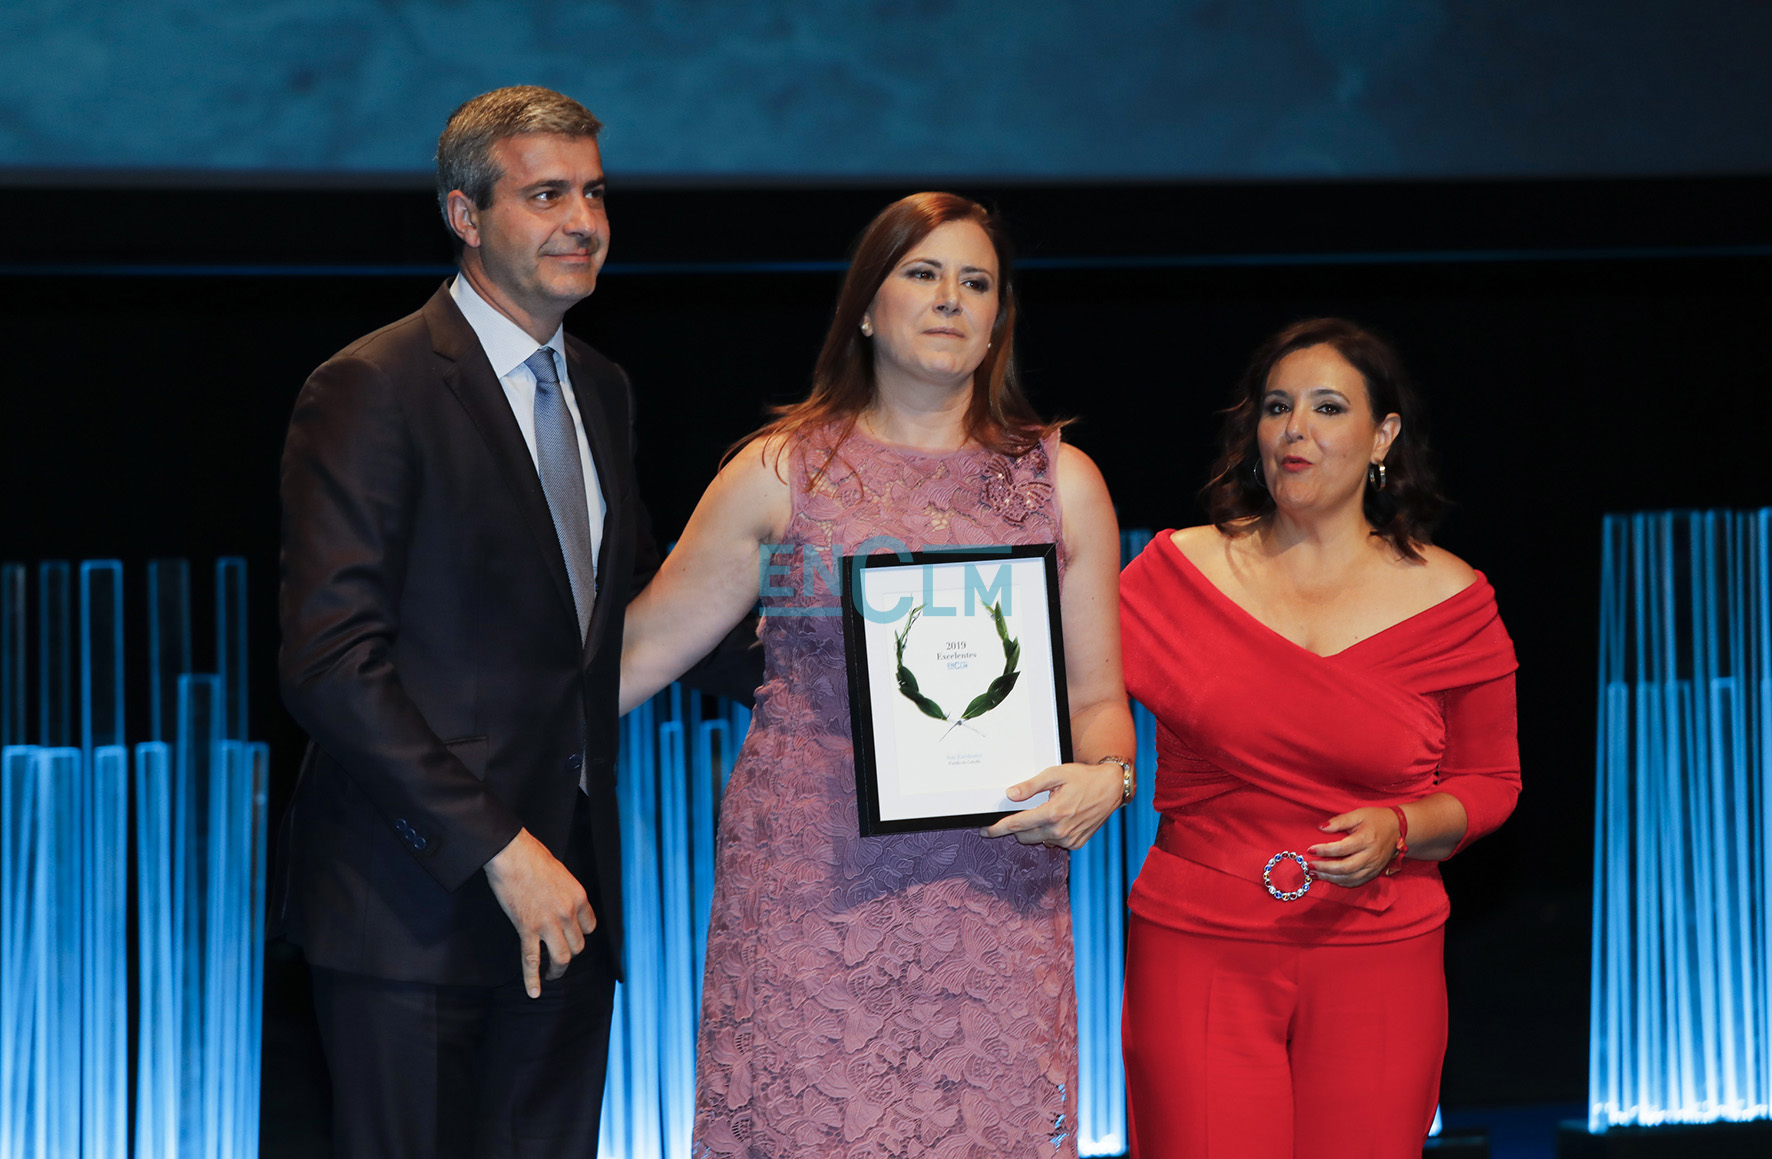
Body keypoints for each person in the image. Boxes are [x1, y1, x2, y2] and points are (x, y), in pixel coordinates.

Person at [620, 191, 1138, 1156]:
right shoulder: (781, 471)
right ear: (865, 306)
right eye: (923, 273)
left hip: (994, 895)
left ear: (998, 322)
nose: (951, 298)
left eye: (975, 282)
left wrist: (1106, 780)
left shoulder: (1063, 483)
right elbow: (638, 653)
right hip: (808, 891)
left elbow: (1099, 704)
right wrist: (469, 746)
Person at [276, 86, 647, 1158]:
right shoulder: (371, 385)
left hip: (573, 894)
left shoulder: (603, 387)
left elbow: (620, 610)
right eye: (545, 195)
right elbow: (331, 661)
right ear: (464, 214)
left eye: (592, 192)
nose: (583, 220)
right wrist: (497, 845)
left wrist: (826, 650)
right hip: (416, 906)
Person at [1117, 318, 1520, 1158]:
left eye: (1327, 407)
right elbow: (1072, 699)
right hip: (1198, 943)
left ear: (1383, 436)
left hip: (1379, 949)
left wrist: (1403, 829)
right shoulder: (1172, 576)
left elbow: (1492, 781)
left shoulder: (1455, 598)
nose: (1295, 427)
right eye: (1276, 407)